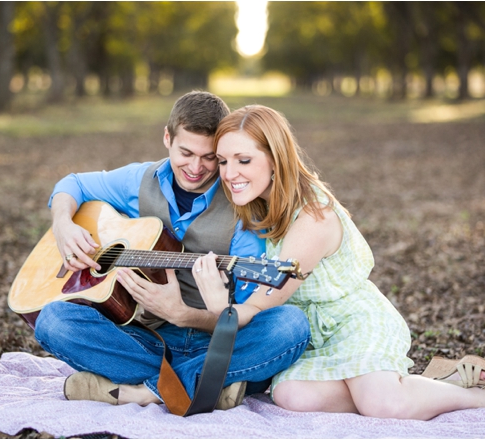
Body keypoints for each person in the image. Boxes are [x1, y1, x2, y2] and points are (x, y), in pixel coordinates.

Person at [191, 104, 485, 419]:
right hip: (319, 335)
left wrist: (222, 308)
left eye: (244, 160)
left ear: (276, 158)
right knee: (291, 396)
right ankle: (429, 384)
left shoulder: (313, 217)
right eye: (223, 161)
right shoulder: (262, 202)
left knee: (385, 406)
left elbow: (266, 297)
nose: (229, 173)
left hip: (354, 320)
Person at [33, 92, 311, 410]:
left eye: (209, 157)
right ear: (167, 138)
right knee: (53, 320)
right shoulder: (140, 179)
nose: (196, 167)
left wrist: (182, 313)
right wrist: (63, 225)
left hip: (217, 341)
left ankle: (150, 388)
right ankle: (210, 384)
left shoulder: (244, 208)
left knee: (291, 325)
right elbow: (73, 184)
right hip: (147, 339)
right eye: (186, 152)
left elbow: (245, 317)